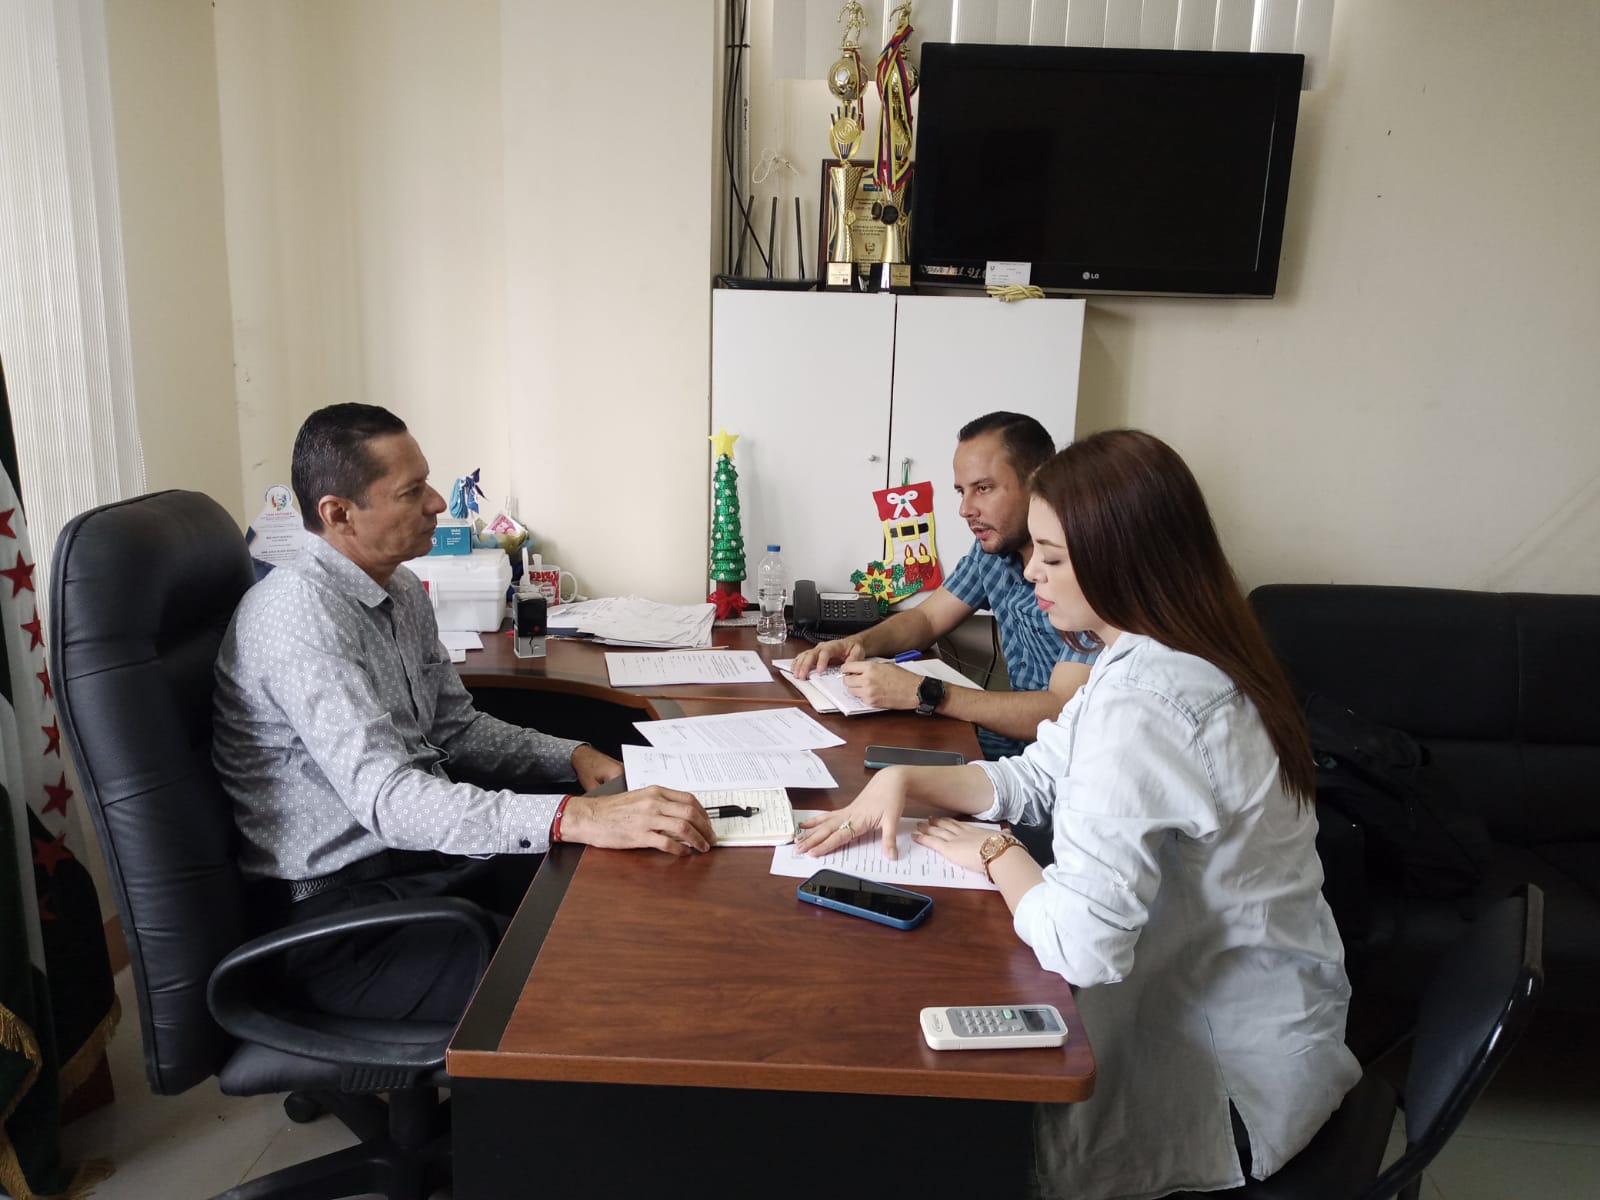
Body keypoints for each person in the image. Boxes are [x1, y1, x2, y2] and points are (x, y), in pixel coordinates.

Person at [798, 429, 1361, 1198]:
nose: (1030, 570)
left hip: (1224, 1090)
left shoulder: (1148, 699)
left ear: (1123, 559)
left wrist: (997, 855)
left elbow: (1083, 947)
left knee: (909, 1116)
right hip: (1272, 1038)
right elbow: (1042, 775)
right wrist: (908, 781)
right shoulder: (1162, 652)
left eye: (1053, 557)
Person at [212, 403, 715, 1022]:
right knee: (592, 979)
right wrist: (572, 816)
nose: (435, 504)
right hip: (338, 925)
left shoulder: (398, 589)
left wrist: (573, 757)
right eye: (411, 491)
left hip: (418, 873)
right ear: (339, 513)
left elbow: (456, 728)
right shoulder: (299, 616)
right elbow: (391, 802)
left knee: (631, 896)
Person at [790, 411, 1094, 761]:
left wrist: (926, 692)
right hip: (1007, 747)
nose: (965, 509)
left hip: (1057, 763)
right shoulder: (993, 550)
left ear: (1038, 482)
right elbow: (928, 619)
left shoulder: (1088, 572)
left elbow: (1063, 710)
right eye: (962, 491)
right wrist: (855, 644)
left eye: (983, 488)